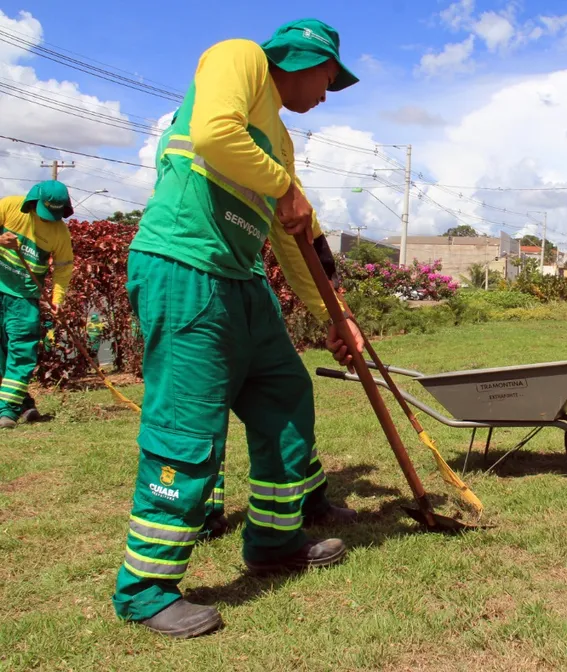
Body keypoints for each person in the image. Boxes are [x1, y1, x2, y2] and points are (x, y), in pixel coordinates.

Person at [111, 19, 365, 639]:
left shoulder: (279, 137)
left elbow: (292, 238)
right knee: (187, 425)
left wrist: (339, 318)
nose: (329, 95)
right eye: (330, 78)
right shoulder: (239, 57)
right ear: (303, 59)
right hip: (184, 267)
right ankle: (145, 587)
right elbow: (214, 134)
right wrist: (285, 186)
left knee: (285, 397)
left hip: (242, 281)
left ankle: (275, 541)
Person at [200, 198, 356, 541]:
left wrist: (335, 311)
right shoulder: (229, 147)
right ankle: (201, 513)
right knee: (205, 406)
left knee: (287, 395)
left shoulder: (278, 150)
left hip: (249, 280)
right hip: (200, 273)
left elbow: (298, 228)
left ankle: (306, 503)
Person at [0, 180, 75, 428]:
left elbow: (64, 269)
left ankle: (7, 411)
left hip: (25, 299)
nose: (50, 219)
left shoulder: (60, 232)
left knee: (21, 353)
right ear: (33, 202)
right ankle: (25, 404)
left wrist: (57, 299)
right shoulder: (9, 206)